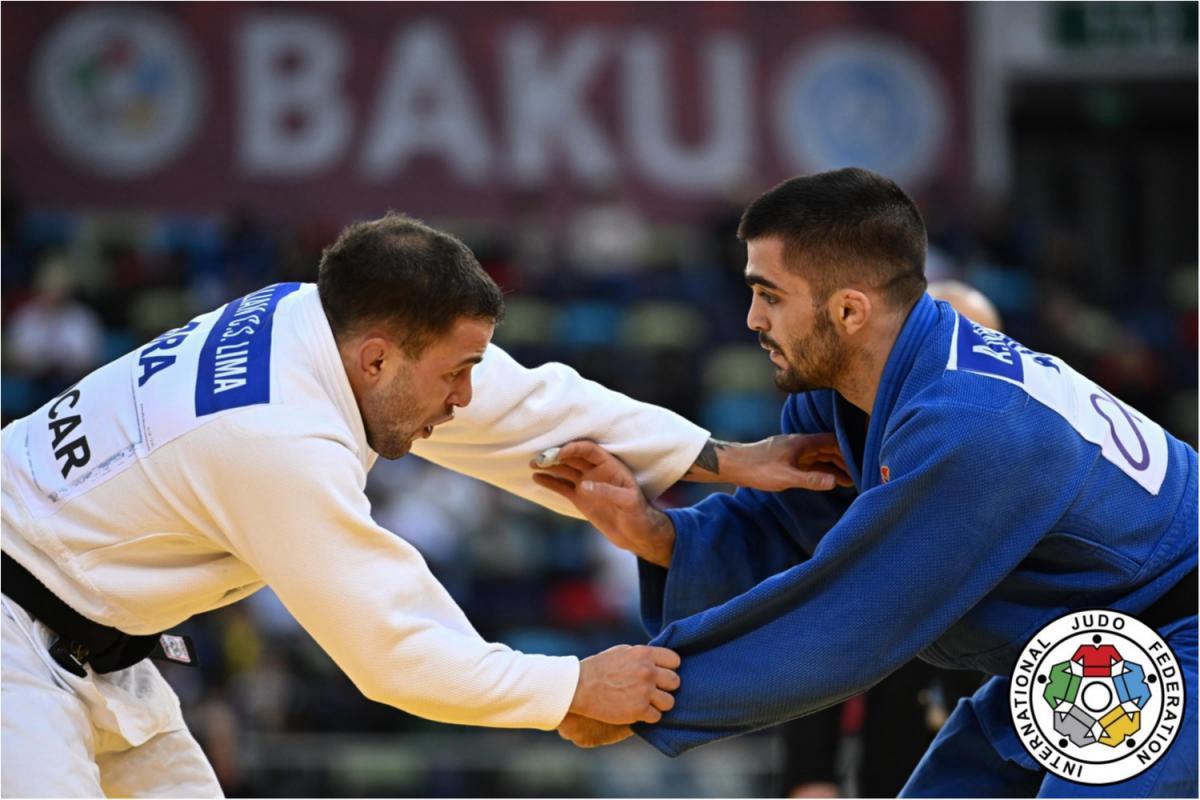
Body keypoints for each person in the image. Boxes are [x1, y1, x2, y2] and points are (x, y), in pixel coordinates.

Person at [0, 213, 847, 797]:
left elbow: (526, 404)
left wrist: (726, 458)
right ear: (377, 360)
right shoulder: (273, 436)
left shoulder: (313, 320)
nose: (466, 394)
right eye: (455, 372)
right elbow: (395, 649)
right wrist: (573, 685)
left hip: (89, 640)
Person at [533, 168, 1197, 796]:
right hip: (1086, 651)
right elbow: (797, 534)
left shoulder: (971, 423)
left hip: (1176, 637)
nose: (751, 320)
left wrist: (649, 699)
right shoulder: (849, 392)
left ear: (849, 312)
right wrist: (663, 537)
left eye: (769, 295)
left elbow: (849, 619)